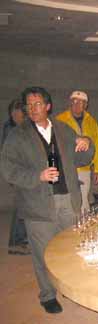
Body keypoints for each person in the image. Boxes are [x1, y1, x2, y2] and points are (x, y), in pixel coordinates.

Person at [1, 86, 94, 313]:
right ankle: (47, 295)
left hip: (67, 199)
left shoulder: (63, 130)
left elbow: (81, 159)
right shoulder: (17, 135)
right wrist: (37, 176)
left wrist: (87, 144)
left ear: (48, 106)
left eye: (38, 104)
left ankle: (71, 286)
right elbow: (8, 170)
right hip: (38, 204)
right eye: (29, 105)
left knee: (71, 248)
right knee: (43, 253)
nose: (33, 109)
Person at [56, 90, 98, 212]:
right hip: (66, 169)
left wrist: (97, 169)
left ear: (86, 105)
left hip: (84, 169)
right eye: (74, 101)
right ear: (69, 103)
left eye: (81, 102)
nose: (77, 104)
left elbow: (97, 145)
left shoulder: (91, 122)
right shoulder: (59, 120)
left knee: (83, 202)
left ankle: (82, 228)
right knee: (68, 202)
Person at [1, 99, 30, 255]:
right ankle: (16, 242)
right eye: (14, 112)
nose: (16, 115)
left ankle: (20, 238)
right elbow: (11, 155)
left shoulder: (18, 128)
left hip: (21, 173)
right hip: (17, 174)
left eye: (19, 112)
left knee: (23, 205)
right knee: (20, 207)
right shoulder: (11, 130)